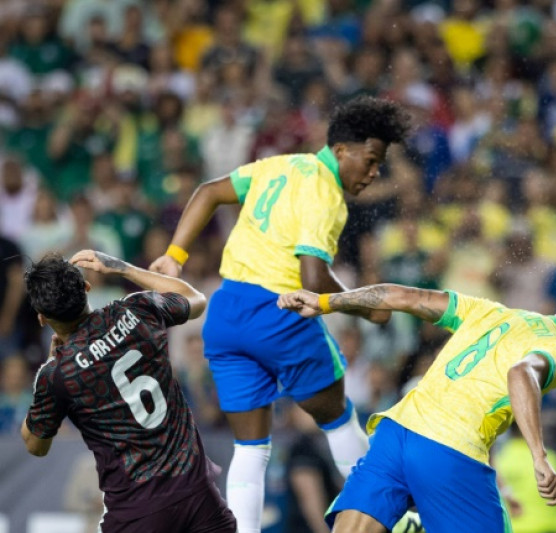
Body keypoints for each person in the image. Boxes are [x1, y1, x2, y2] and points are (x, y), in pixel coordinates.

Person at [148, 96, 411, 533]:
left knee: (251, 447)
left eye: (379, 164)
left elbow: (209, 192)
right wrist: (366, 308)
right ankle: (394, 522)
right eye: (370, 160)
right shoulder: (327, 194)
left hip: (227, 313)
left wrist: (174, 255)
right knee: (337, 417)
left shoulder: (279, 164)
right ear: (342, 149)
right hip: (280, 314)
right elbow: (312, 275)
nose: (374, 173)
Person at [276, 279, 556, 533]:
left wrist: (324, 302)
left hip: (395, 433)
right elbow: (521, 374)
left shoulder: (492, 312)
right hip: (450, 449)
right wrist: (539, 456)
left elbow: (402, 296)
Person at [21, 250, 236, 532]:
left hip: (137, 513)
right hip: (199, 497)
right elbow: (196, 300)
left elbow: (36, 445)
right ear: (87, 288)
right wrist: (124, 269)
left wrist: (46, 370)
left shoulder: (58, 375)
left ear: (42, 318)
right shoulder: (137, 310)